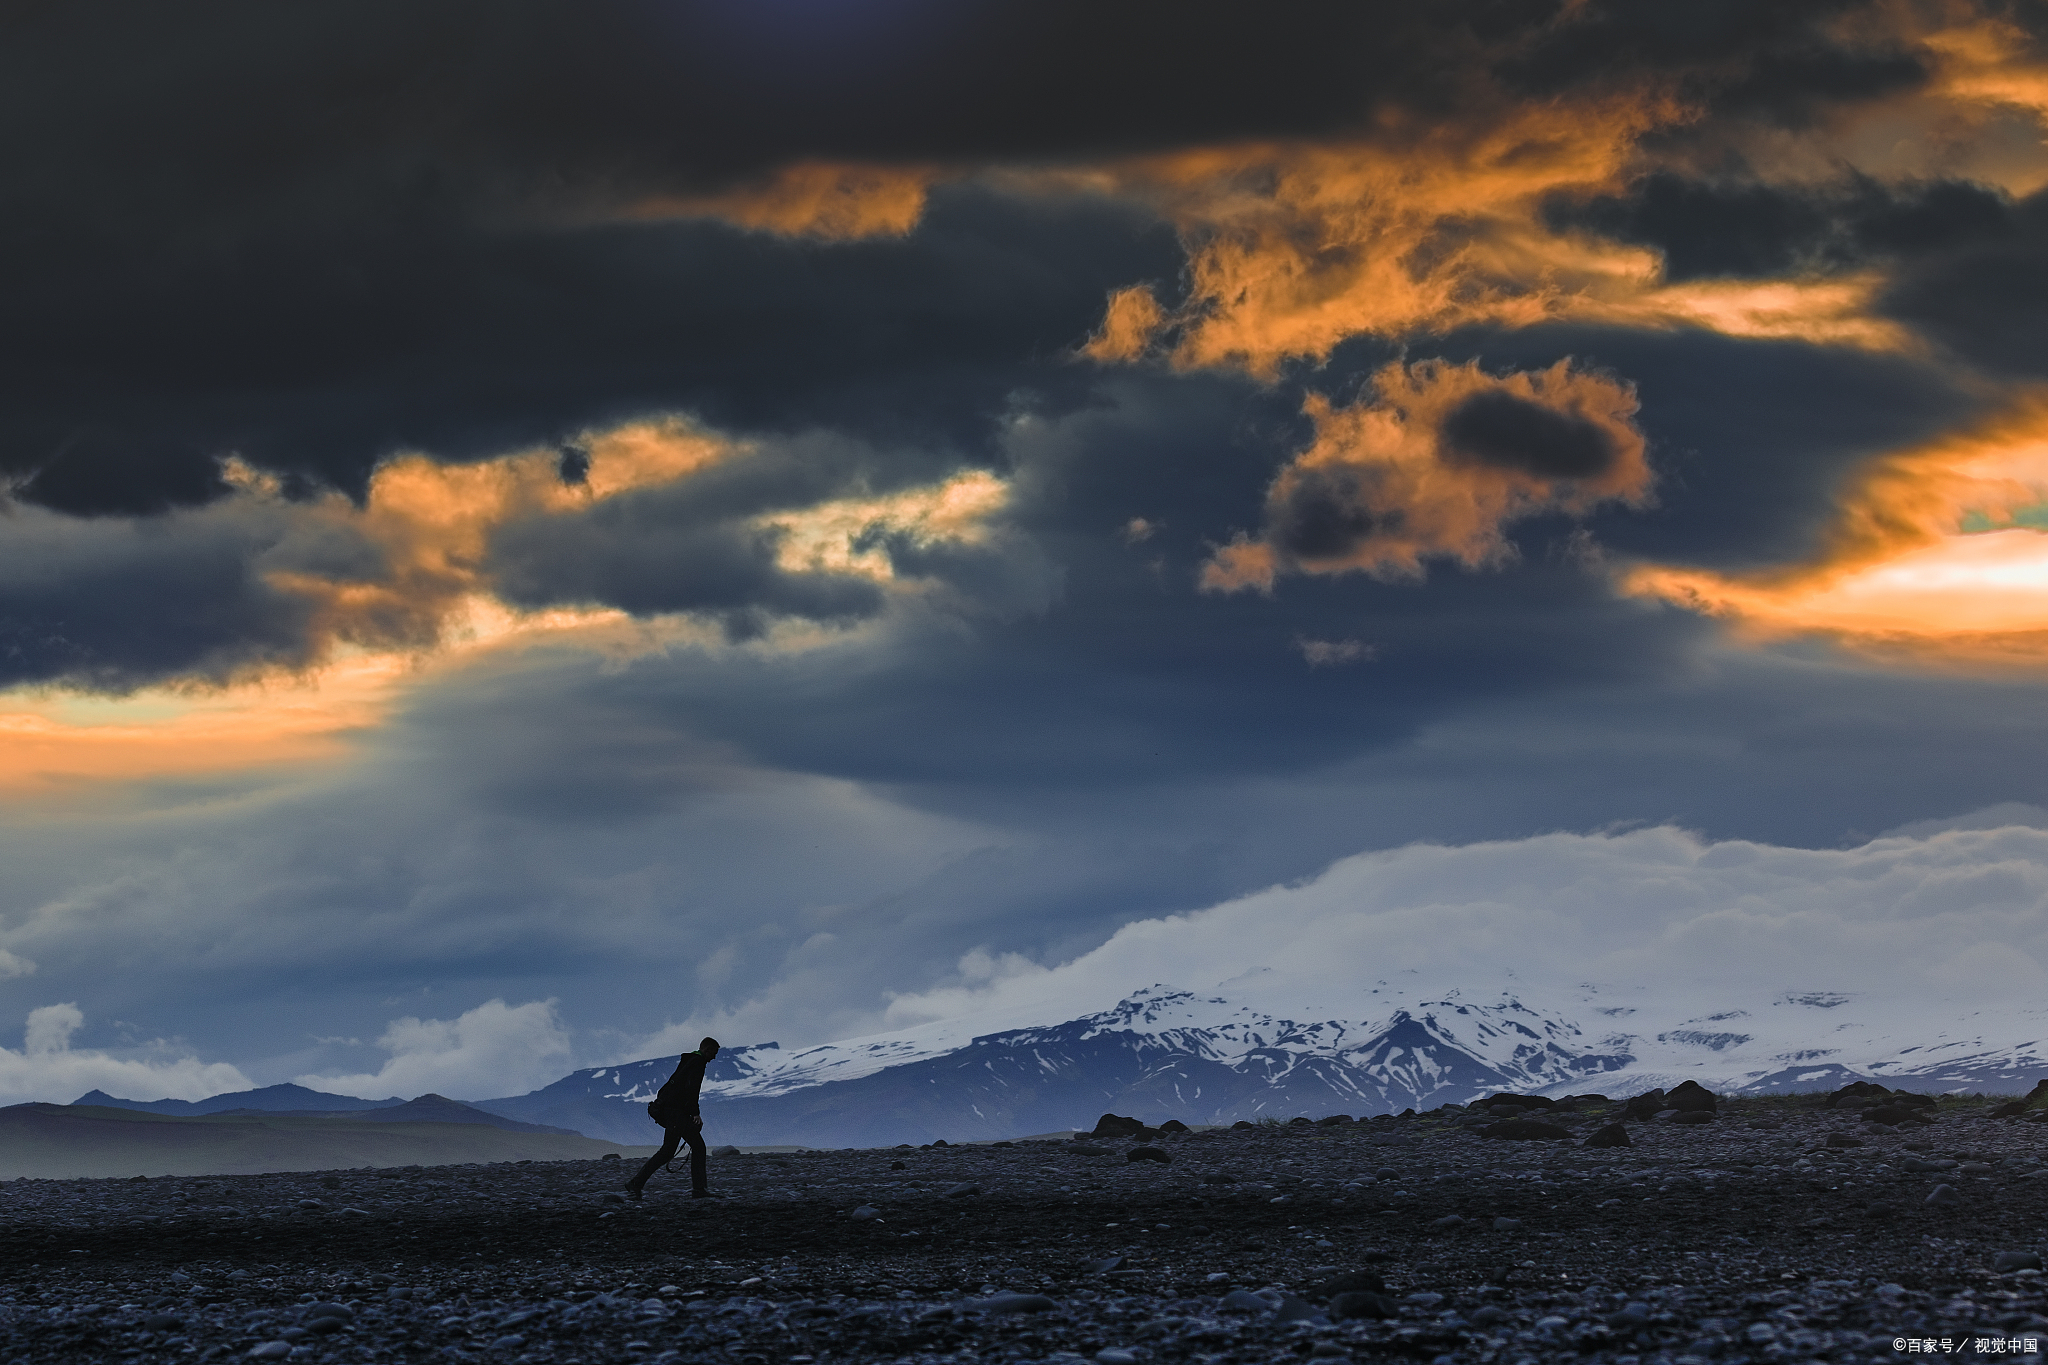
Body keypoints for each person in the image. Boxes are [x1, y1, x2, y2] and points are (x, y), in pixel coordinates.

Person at [625, 1037, 721, 1200]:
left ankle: (637, 1183)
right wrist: (695, 1113)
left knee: (676, 1150)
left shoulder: (689, 1060)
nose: (714, 1057)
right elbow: (691, 1090)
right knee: (688, 1148)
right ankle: (698, 1190)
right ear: (706, 1050)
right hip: (677, 1115)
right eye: (713, 1053)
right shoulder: (697, 1063)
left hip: (674, 1114)